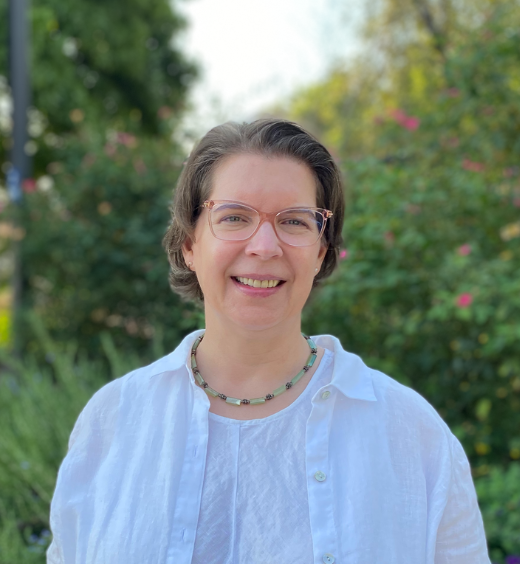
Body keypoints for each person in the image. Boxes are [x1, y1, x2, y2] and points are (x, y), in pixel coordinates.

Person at [47, 119, 490, 564]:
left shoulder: (412, 435)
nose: (264, 246)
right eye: (234, 217)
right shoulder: (113, 422)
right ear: (189, 244)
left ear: (321, 251)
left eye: (294, 221)